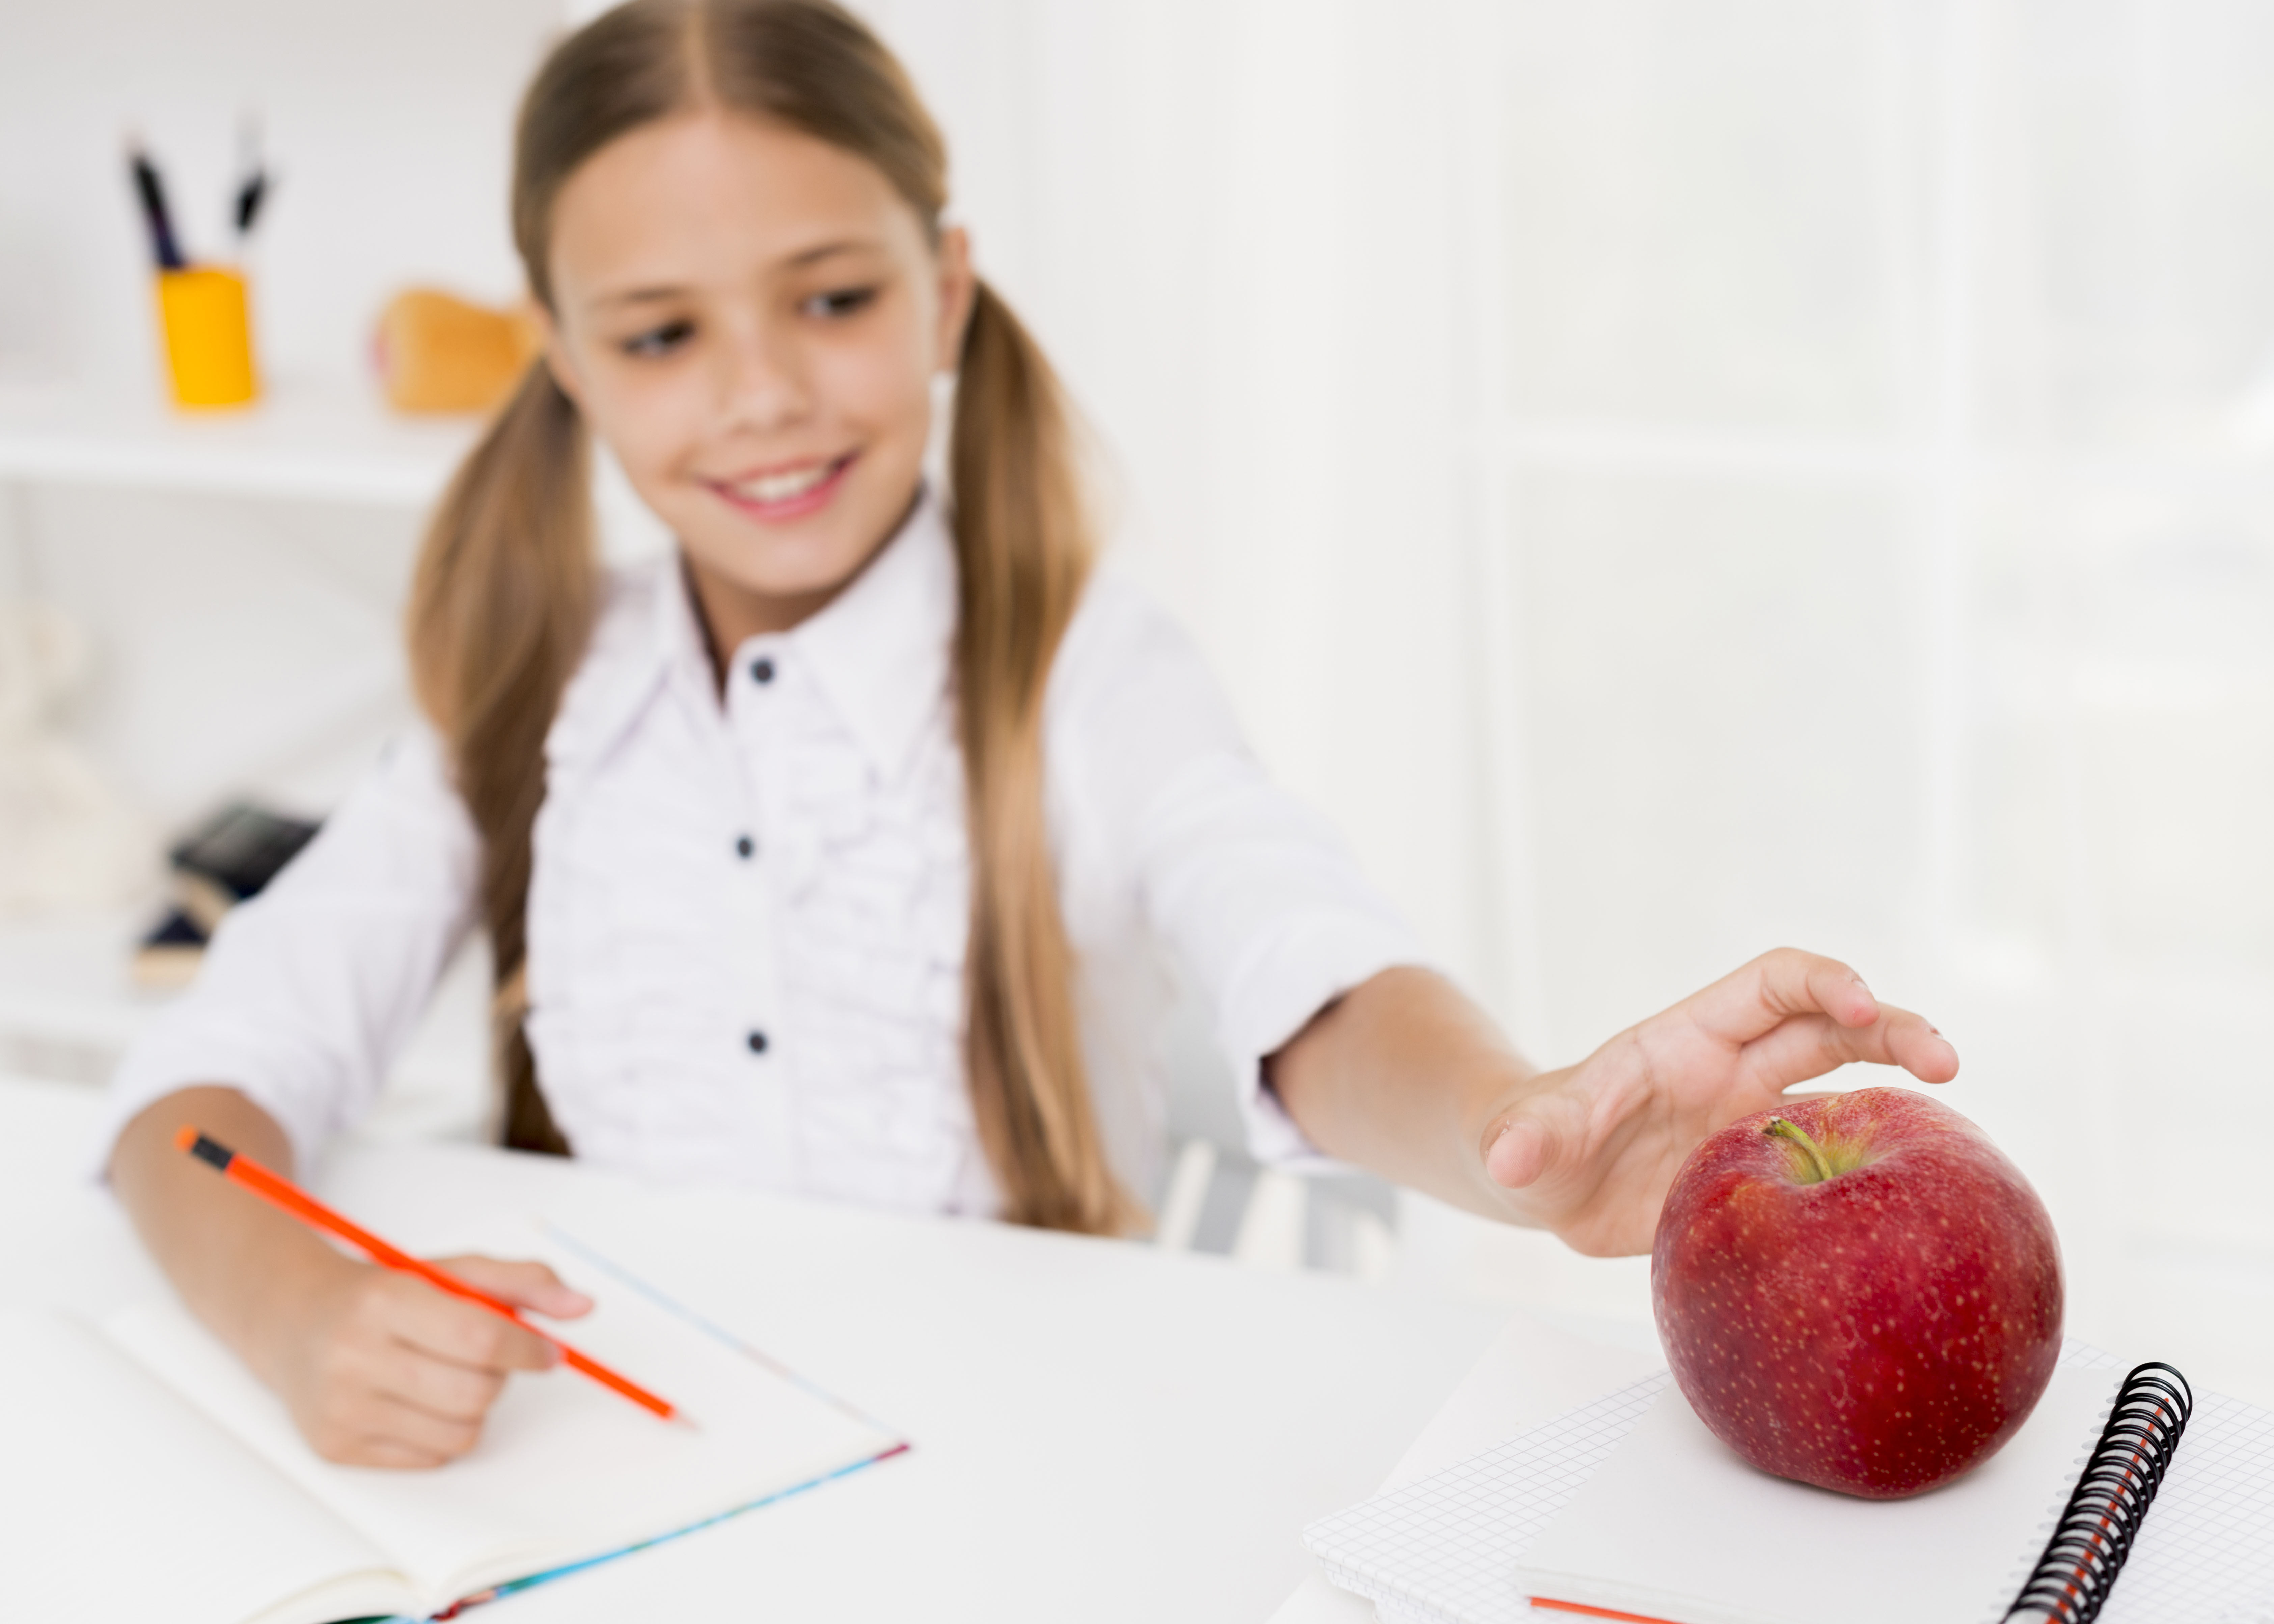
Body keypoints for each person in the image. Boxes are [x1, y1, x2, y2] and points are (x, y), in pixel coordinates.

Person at [104, 0, 1958, 1471]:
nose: (761, 394)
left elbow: (1301, 968)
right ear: (565, 359)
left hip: (1013, 1462)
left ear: (943, 291)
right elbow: (189, 1104)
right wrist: (290, 1309)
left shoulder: (1087, 675)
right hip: (609, 1454)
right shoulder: (529, 688)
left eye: (831, 299)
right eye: (662, 336)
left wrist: (1512, 1129)